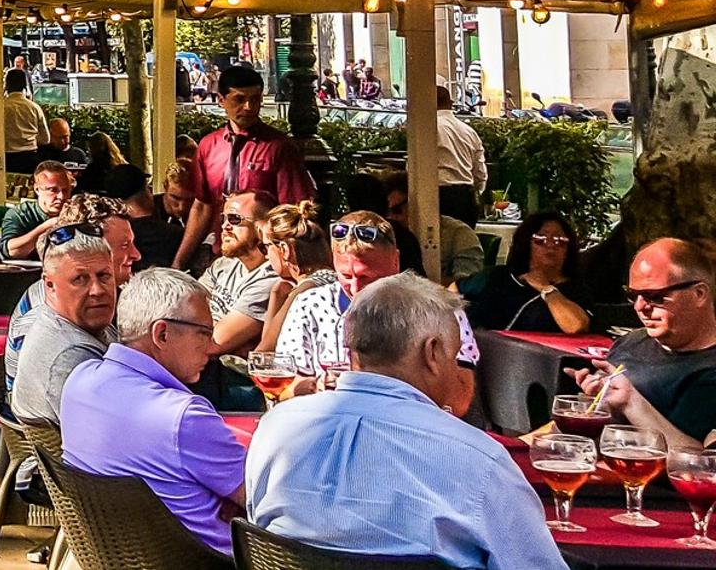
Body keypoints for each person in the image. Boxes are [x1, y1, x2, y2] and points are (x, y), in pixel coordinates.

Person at [248, 275, 566, 569]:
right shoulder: (479, 458)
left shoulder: (276, 427)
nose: (457, 370)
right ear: (432, 352)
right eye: (455, 356)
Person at [59, 269, 247, 557]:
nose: (213, 347)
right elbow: (262, 500)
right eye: (205, 333)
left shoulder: (78, 382)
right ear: (162, 333)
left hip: (109, 555)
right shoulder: (184, 417)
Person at [275, 211, 480, 402]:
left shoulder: (439, 309)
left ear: (395, 261)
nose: (355, 289)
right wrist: (314, 385)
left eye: (367, 277)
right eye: (345, 276)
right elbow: (283, 391)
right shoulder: (310, 305)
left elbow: (460, 399)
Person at [575, 238, 716, 450]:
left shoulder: (709, 369)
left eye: (654, 296)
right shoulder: (632, 342)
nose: (640, 307)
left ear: (699, 294)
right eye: (633, 295)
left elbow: (699, 465)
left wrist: (630, 401)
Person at [172, 66, 312, 271]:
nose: (248, 107)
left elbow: (293, 209)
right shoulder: (208, 146)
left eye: (255, 99)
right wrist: (179, 261)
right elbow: (202, 206)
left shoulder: (279, 147)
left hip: (264, 259)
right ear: (221, 100)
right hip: (221, 255)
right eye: (239, 99)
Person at [10, 229, 117, 422]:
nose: (97, 290)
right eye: (80, 279)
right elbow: (106, 438)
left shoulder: (82, 322)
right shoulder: (73, 357)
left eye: (104, 276)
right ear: (49, 286)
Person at [461, 212, 591, 334]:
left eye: (560, 240)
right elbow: (454, 290)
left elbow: (576, 326)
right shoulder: (497, 276)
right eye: (541, 239)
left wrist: (546, 289)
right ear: (526, 243)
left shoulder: (576, 289)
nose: (551, 245)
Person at [199, 189, 278, 358]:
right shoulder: (223, 264)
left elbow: (214, 343)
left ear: (262, 227)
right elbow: (184, 305)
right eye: (223, 218)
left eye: (234, 219)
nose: (224, 226)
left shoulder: (270, 279)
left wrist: (189, 329)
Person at [256, 201, 336, 353]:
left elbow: (264, 354)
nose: (266, 257)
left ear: (284, 250)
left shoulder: (306, 291)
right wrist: (277, 295)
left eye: (265, 247)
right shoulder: (335, 281)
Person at [383, 170, 486, 283]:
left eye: (396, 210)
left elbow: (467, 285)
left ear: (420, 203)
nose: (390, 218)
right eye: (385, 213)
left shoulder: (459, 234)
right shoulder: (386, 237)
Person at [115, 161, 189, 271]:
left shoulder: (200, 216)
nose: (181, 207)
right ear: (165, 187)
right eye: (175, 198)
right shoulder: (145, 215)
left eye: (189, 199)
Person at [435, 83, 488, 226]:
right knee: (465, 242)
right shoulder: (469, 131)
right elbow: (480, 172)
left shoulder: (427, 128)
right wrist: (476, 192)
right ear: (451, 104)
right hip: (465, 196)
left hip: (438, 195)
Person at [0, 160, 74, 261]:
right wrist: (47, 227)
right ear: (37, 189)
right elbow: (12, 251)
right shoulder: (21, 214)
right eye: (53, 190)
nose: (61, 197)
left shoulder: (76, 213)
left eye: (65, 190)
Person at [3, 67, 49, 155]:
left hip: (6, 156)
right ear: (25, 86)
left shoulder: (1, 108)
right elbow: (45, 139)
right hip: (30, 156)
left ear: (7, 86)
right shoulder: (34, 108)